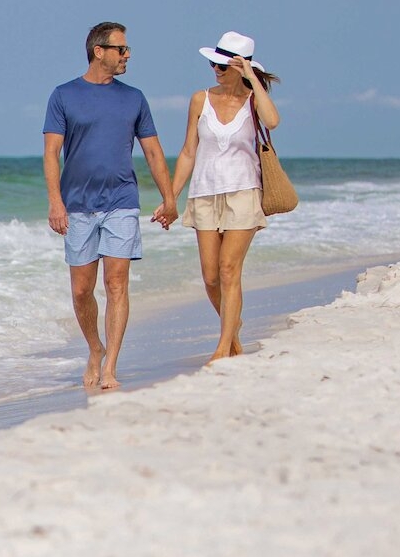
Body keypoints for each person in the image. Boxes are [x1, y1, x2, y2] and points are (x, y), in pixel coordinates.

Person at [43, 21, 177, 391]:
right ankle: (94, 348)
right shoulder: (63, 95)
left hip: (121, 202)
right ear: (98, 51)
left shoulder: (134, 98)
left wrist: (169, 198)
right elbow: (52, 152)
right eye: (121, 49)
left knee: (116, 284)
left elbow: (152, 149)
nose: (127, 55)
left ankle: (111, 366)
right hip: (78, 205)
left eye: (127, 49)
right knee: (82, 291)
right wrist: (56, 201)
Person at [167, 31, 282, 364]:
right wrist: (172, 197)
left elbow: (273, 121)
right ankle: (233, 326)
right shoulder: (199, 99)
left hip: (244, 193)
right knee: (211, 276)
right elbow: (189, 151)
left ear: (240, 65)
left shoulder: (252, 101)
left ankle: (223, 347)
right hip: (204, 193)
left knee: (230, 270)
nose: (215, 68)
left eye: (223, 64)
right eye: (213, 62)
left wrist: (251, 79)